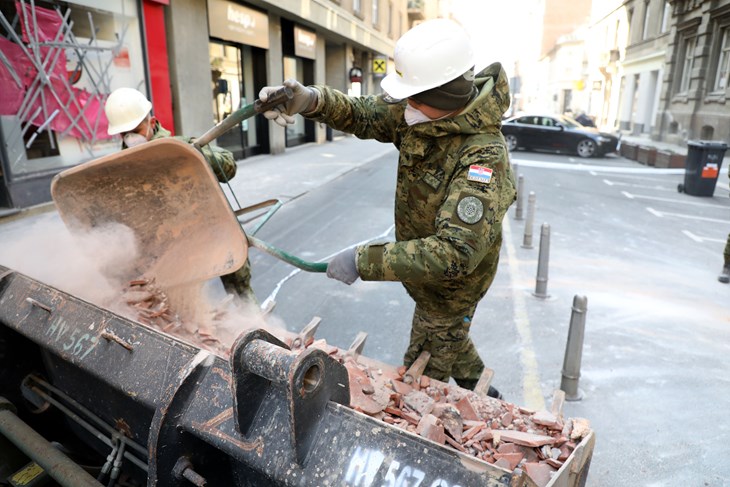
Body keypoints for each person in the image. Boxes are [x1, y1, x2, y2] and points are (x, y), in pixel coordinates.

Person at [259, 19, 516, 398]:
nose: (405, 105)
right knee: (452, 341)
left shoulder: (482, 157)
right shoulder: (424, 111)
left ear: (444, 95)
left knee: (424, 369)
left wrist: (363, 261)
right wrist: (311, 100)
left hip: (450, 291)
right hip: (424, 282)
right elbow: (363, 113)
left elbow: (454, 253)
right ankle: (485, 391)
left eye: (414, 96)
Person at [104, 87, 257, 305]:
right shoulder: (117, 167)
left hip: (207, 227)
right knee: (179, 305)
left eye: (136, 130)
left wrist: (196, 154)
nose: (130, 138)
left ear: (152, 123)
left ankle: (254, 320)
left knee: (238, 279)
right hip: (167, 246)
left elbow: (229, 166)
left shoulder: (181, 146)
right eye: (124, 133)